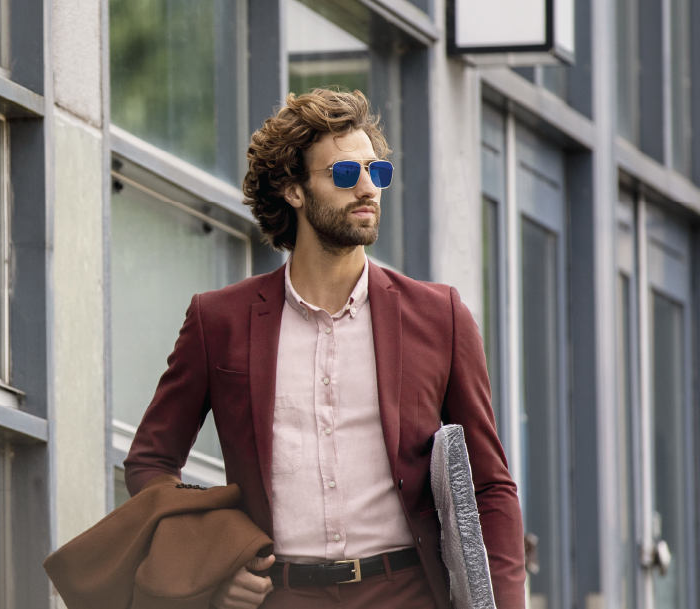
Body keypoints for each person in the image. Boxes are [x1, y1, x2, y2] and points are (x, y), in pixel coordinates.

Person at [122, 88, 525, 609]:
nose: (367, 189)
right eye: (343, 174)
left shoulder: (438, 316)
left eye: (376, 173)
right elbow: (150, 463)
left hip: (406, 592)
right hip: (280, 596)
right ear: (292, 190)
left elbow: (491, 487)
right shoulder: (218, 321)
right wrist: (213, 561)